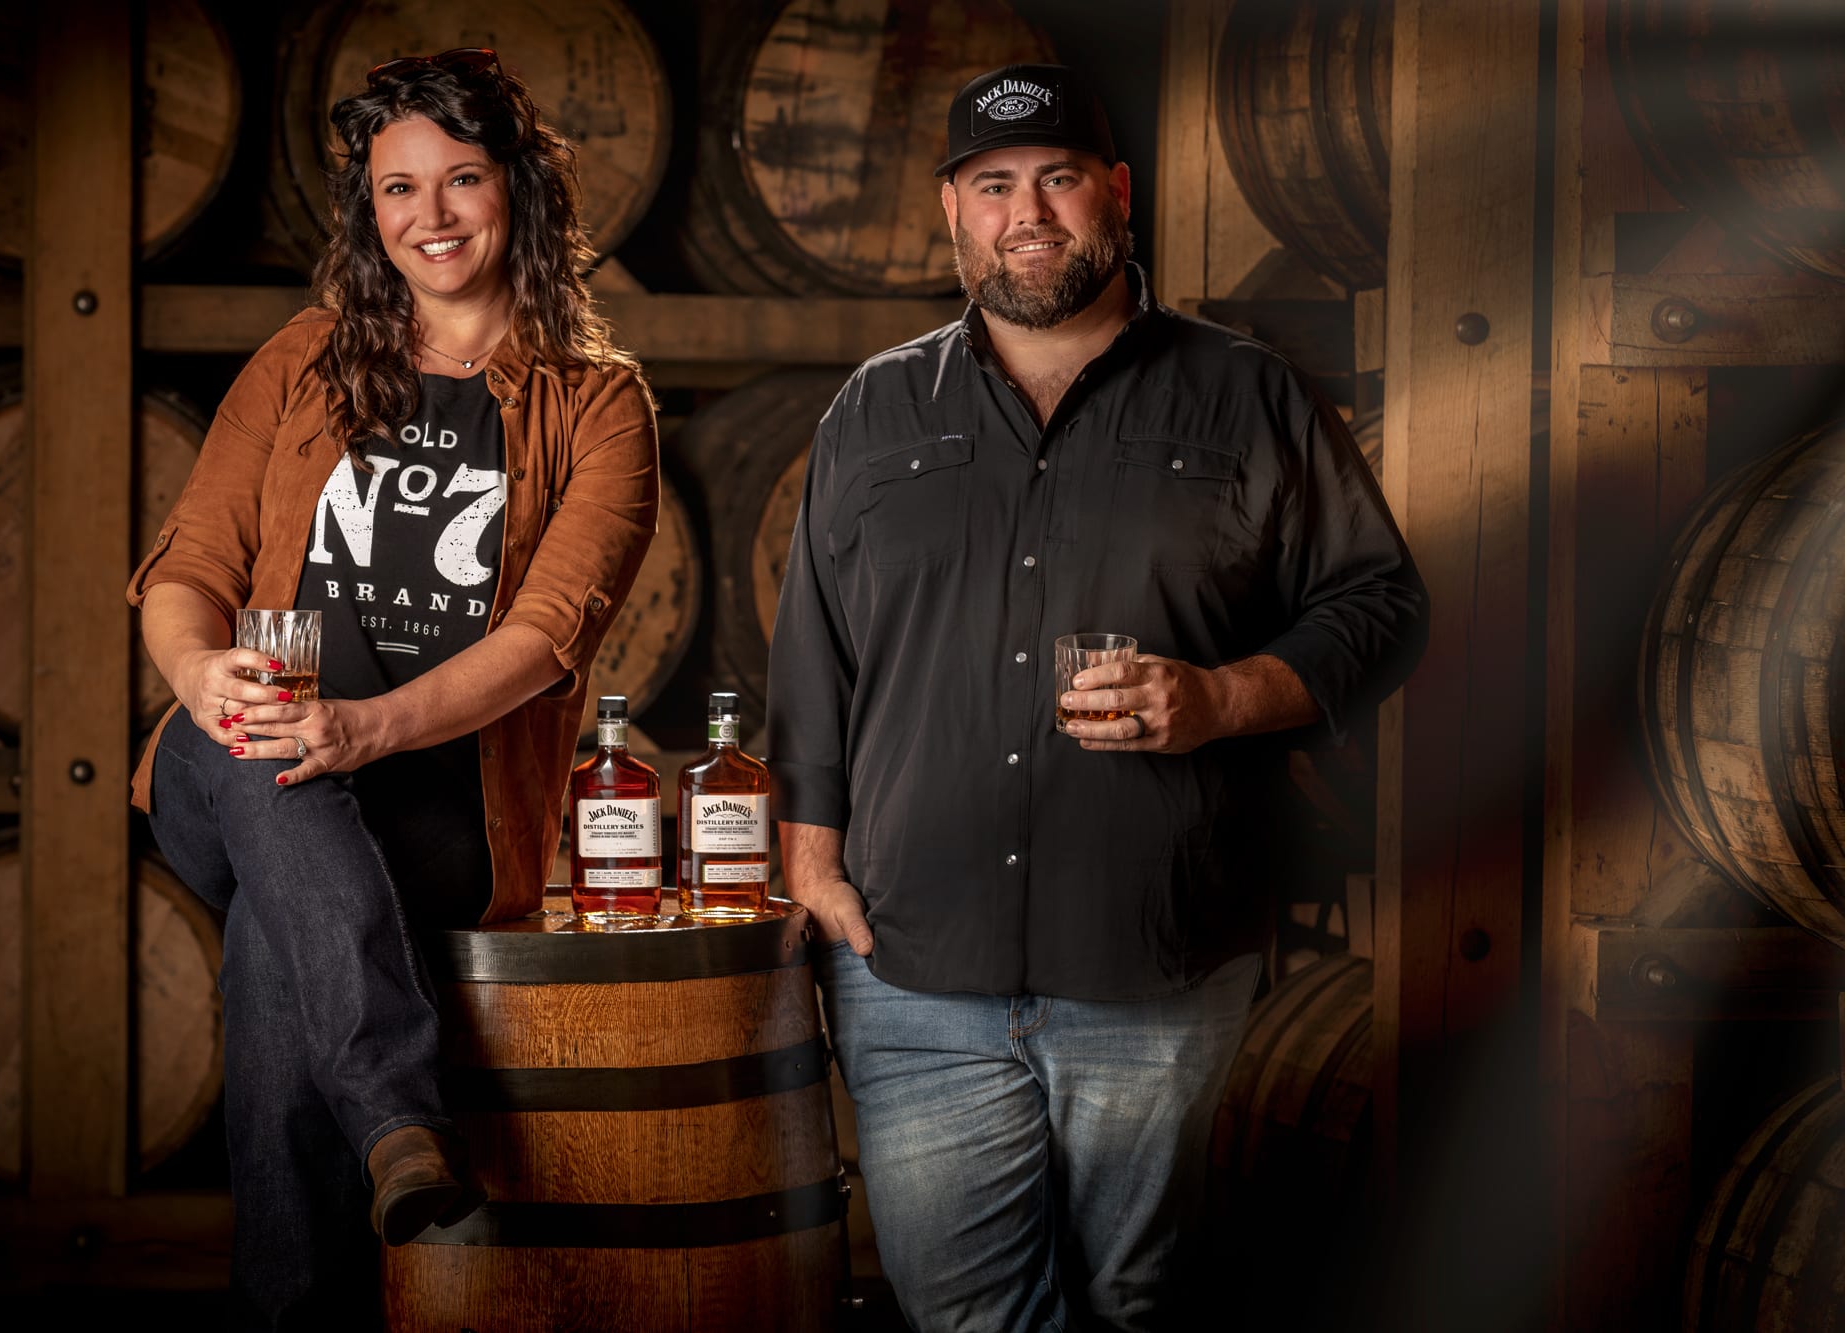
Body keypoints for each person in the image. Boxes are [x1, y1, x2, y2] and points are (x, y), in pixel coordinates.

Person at [767, 63, 1427, 1331]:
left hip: (1156, 959)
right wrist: (812, 860)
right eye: (994, 185)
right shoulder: (874, 408)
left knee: (1133, 1300)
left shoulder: (1245, 392)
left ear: (1113, 195)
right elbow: (812, 651)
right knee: (960, 1312)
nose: (1029, 211)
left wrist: (1221, 698)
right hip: (912, 964)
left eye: (1057, 177)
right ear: (950, 211)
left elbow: (1379, 604)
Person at [124, 49, 658, 1329]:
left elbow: (543, 638)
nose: (431, 216)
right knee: (262, 743)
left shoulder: (600, 406)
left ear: (518, 189)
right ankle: (399, 1115)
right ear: (368, 212)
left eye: (461, 179)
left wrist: (363, 725)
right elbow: (187, 568)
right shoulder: (302, 358)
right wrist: (204, 672)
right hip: (229, 760)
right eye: (397, 189)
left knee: (277, 936)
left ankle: (300, 1285)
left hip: (437, 812)